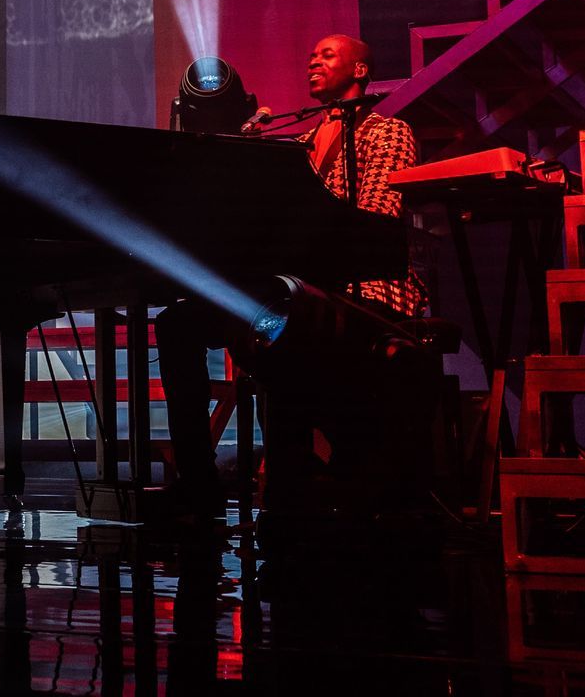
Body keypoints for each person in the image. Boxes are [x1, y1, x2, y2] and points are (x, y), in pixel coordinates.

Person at [158, 33, 425, 514]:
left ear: (360, 71)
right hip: (301, 288)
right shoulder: (300, 143)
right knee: (179, 323)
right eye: (311, 54)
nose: (312, 62)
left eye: (326, 55)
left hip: (367, 288)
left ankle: (291, 480)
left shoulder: (387, 131)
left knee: (277, 327)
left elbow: (378, 220)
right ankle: (198, 483)